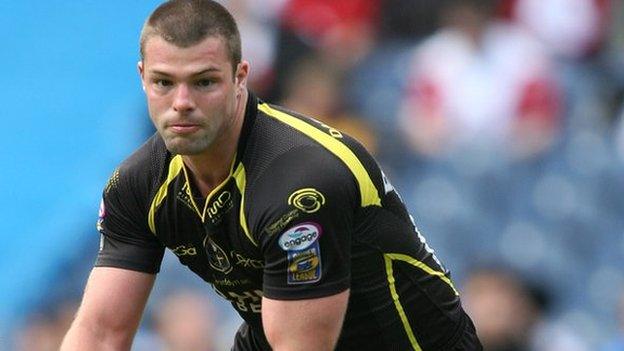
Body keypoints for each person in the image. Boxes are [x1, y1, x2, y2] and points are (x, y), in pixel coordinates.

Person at [61, 1, 481, 350]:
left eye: (204, 82)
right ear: (142, 78)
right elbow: (99, 334)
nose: (182, 102)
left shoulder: (302, 181)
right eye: (164, 83)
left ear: (240, 77)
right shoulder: (137, 184)